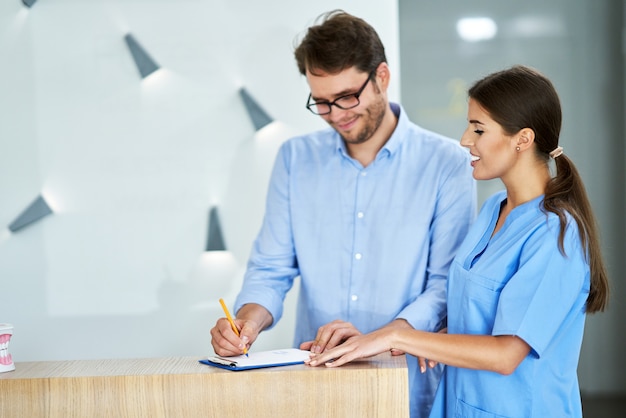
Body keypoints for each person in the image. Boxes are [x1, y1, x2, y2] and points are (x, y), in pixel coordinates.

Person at [210, 10, 476, 417]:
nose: (337, 114)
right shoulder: (294, 160)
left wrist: (379, 338)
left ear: (382, 77)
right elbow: (271, 269)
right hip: (313, 388)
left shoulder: (447, 164)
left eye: (348, 96)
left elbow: (445, 286)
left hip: (407, 387)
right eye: (322, 102)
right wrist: (246, 322)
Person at [305, 65, 610, 418]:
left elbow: (506, 354)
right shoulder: (493, 209)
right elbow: (474, 320)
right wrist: (373, 341)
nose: (465, 139)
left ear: (523, 139)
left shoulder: (557, 234)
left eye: (478, 129)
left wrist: (396, 337)